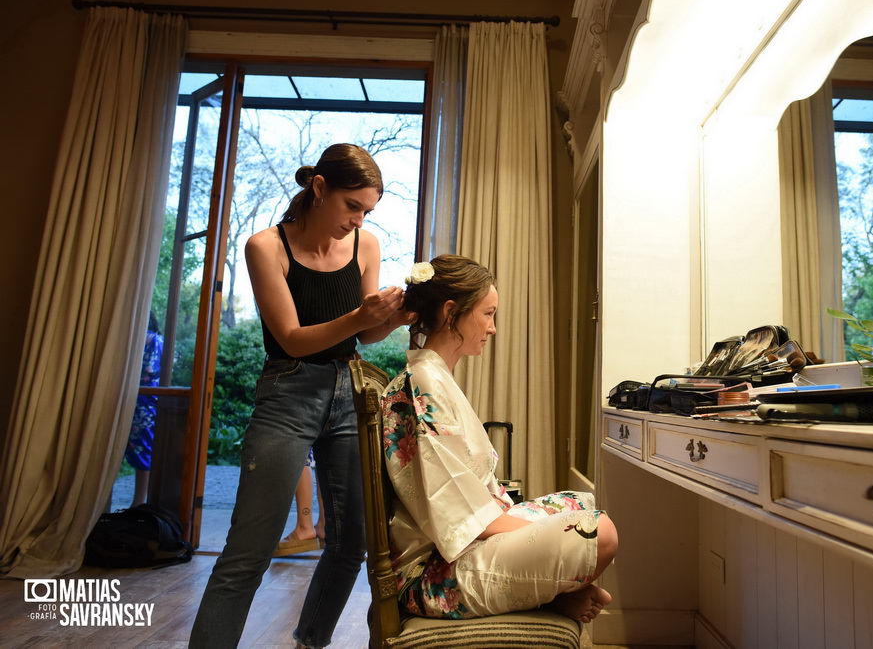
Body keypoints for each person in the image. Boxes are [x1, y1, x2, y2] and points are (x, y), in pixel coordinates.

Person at [190, 143, 412, 648]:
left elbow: (368, 337)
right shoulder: (265, 247)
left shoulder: (366, 246)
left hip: (349, 392)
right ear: (319, 189)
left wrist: (394, 317)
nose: (358, 221)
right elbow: (292, 336)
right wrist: (361, 317)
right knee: (249, 548)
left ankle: (309, 642)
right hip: (288, 390)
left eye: (367, 211)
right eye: (351, 206)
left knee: (351, 541)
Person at [380, 255, 618, 623]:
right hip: (435, 574)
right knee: (597, 531)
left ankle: (555, 594)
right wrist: (539, 532)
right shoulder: (423, 382)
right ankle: (556, 597)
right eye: (487, 314)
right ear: (450, 312)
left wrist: (539, 529)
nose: (493, 328)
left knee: (577, 502)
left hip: (467, 542)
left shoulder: (435, 377)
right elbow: (461, 513)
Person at [124, 311, 163, 507]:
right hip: (146, 400)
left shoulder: (147, 340)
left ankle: (139, 501)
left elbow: (149, 370)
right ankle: (139, 500)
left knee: (141, 449)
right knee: (143, 449)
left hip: (143, 399)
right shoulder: (155, 340)